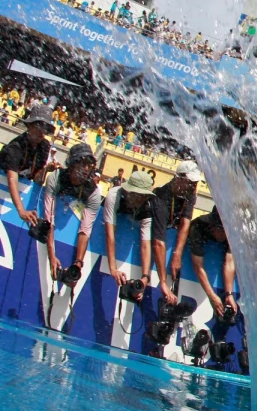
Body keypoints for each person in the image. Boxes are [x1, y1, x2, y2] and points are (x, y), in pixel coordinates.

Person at [39, 144, 102, 283]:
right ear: (72, 163)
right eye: (83, 163)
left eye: (89, 165)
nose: (86, 169)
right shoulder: (56, 177)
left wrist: (78, 265)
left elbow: (85, 231)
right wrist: (51, 255)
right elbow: (49, 218)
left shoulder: (94, 192)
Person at [150, 161, 203, 307]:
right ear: (178, 178)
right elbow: (158, 243)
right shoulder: (160, 198)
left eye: (196, 183)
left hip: (170, 233)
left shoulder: (190, 194)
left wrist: (177, 254)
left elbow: (186, 223)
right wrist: (163, 282)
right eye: (191, 183)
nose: (194, 187)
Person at [1, 103, 55, 227]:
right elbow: (12, 180)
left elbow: (36, 180)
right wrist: (21, 210)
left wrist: (46, 170)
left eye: (46, 129)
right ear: (29, 125)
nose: (43, 132)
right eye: (40, 126)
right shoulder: (15, 147)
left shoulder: (44, 146)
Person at [102, 170, 156, 294]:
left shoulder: (147, 207)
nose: (139, 200)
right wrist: (113, 269)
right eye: (137, 195)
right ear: (128, 191)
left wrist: (145, 277)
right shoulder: (114, 194)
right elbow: (110, 234)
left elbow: (145, 245)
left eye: (143, 196)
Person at [188, 209, 238, 321]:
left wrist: (229, 294)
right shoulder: (198, 227)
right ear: (212, 226)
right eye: (220, 230)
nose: (224, 235)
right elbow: (198, 266)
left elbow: (229, 262)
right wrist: (212, 296)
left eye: (226, 231)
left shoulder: (231, 234)